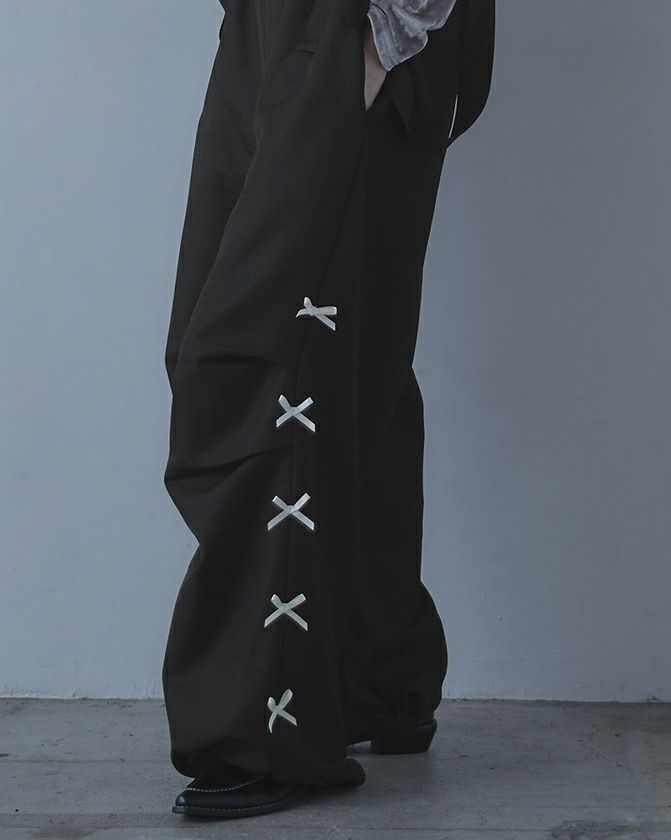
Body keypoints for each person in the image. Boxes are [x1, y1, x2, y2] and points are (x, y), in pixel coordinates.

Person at [161, 0, 495, 820]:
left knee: (275, 357)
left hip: (346, 32)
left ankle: (269, 727)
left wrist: (382, 39)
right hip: (273, 32)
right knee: (348, 358)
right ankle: (377, 673)